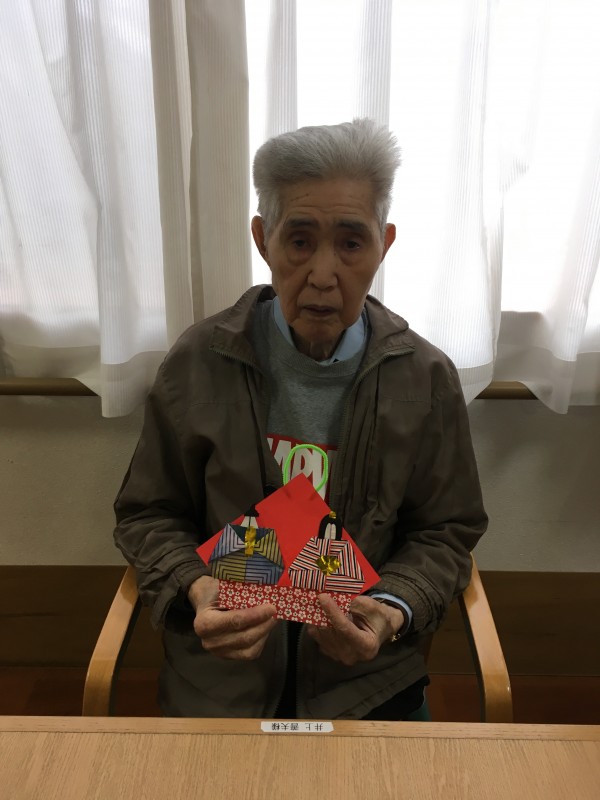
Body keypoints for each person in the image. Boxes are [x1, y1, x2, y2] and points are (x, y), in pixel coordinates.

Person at [114, 119, 487, 719]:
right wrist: (197, 587)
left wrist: (391, 609)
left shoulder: (424, 377)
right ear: (264, 239)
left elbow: (445, 529)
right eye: (300, 240)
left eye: (351, 243)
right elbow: (149, 512)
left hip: (366, 685)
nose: (322, 274)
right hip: (221, 682)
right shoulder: (199, 361)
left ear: (384, 245)